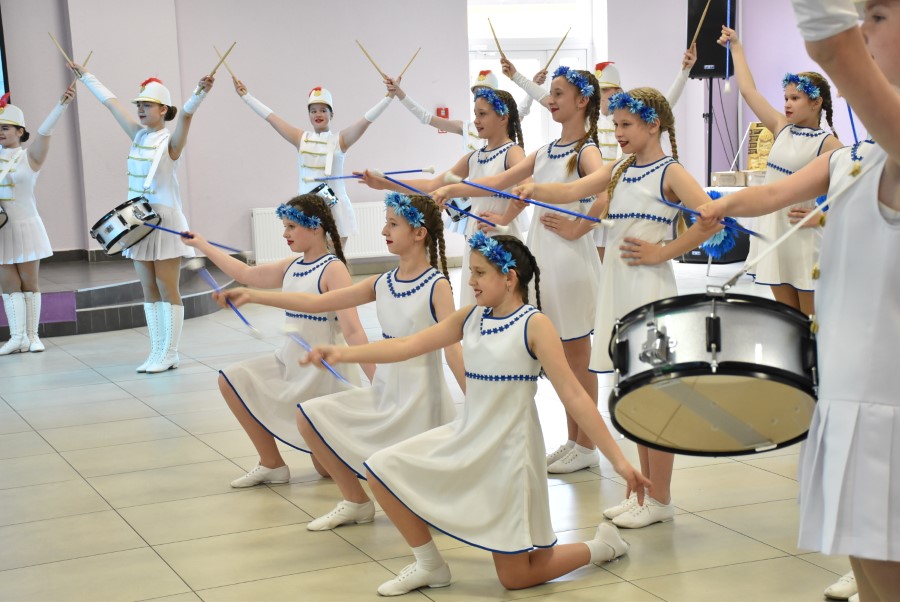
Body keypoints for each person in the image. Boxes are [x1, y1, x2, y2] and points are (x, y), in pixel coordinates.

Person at [301, 233, 649, 597]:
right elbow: (407, 345)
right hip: (466, 435)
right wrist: (343, 353)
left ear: (509, 277)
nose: (471, 281)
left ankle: (603, 546)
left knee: (516, 577)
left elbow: (575, 396)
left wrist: (620, 463)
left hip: (509, 454)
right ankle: (430, 565)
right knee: (380, 468)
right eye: (471, 272)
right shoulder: (471, 317)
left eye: (480, 273)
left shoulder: (534, 324)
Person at [695, 1, 900, 598]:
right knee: (868, 572)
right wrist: (715, 205)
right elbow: (771, 194)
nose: (862, 29)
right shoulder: (855, 156)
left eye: (878, 16)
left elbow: (833, 45)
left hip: (888, 401)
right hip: (849, 393)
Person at [514, 88, 720, 528]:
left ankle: (661, 498)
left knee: (655, 397)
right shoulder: (622, 168)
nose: (618, 132)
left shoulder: (671, 171)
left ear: (653, 125)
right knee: (634, 395)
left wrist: (664, 251)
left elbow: (711, 219)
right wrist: (533, 187)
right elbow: (573, 188)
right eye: (615, 124)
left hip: (650, 291)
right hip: (619, 288)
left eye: (626, 124)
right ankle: (645, 492)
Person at [219, 193, 464, 531]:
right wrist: (252, 294)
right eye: (386, 223)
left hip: (420, 400)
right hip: (385, 392)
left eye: (393, 224)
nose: (384, 231)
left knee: (415, 482)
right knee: (309, 415)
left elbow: (453, 348)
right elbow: (316, 302)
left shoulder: (437, 285)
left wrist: (476, 401)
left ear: (419, 233)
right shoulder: (382, 282)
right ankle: (356, 502)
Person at [433, 66, 604, 475]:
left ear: (582, 101)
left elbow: (605, 188)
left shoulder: (586, 150)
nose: (551, 99)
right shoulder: (545, 151)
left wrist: (579, 226)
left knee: (577, 355)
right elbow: (497, 182)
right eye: (551, 93)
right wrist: (452, 188)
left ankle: (588, 445)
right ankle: (574, 440)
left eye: (558, 93)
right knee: (559, 356)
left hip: (571, 260)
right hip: (544, 256)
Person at [182, 194, 372, 486]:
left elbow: (353, 330)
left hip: (322, 374)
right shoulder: (292, 265)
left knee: (326, 469)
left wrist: (377, 378)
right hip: (289, 362)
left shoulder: (333, 269)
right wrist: (203, 245)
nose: (285, 234)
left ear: (316, 227)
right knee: (232, 379)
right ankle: (271, 463)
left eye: (291, 227)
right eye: (284, 227)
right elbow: (246, 273)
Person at [73, 65, 214, 373]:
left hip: (164, 221)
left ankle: (170, 353)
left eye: (147, 105)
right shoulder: (137, 136)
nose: (140, 109)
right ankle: (156, 350)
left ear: (163, 110)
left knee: (167, 287)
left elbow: (186, 116)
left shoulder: (170, 142)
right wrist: (86, 77)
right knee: (148, 288)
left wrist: (198, 93)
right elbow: (111, 104)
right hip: (137, 220)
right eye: (139, 104)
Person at [502, 47, 698, 261]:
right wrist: (515, 76)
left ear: (618, 91)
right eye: (600, 91)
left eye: (607, 90)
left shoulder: (632, 122)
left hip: (618, 196)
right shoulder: (589, 121)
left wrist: (684, 72)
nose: (603, 96)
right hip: (595, 198)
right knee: (598, 259)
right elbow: (544, 98)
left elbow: (665, 104)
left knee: (620, 255)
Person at [359, 86, 528, 305]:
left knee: (506, 303)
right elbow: (432, 185)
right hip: (476, 237)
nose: (476, 121)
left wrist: (504, 220)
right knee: (477, 303)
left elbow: (526, 190)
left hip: (504, 239)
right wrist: (384, 182)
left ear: (503, 117)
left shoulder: (513, 152)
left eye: (482, 114)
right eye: (475, 114)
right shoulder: (473, 157)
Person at [718, 25, 843, 315]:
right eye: (785, 97)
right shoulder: (780, 127)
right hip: (774, 233)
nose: (787, 104)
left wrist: (823, 217)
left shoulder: (829, 144)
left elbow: (851, 193)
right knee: (788, 321)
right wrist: (736, 46)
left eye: (795, 98)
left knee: (812, 325)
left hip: (806, 238)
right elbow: (749, 91)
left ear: (816, 102)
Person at [232, 78, 394, 244]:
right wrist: (247, 97)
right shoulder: (301, 138)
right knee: (309, 254)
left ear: (332, 114)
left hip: (334, 209)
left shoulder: (340, 140)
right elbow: (272, 118)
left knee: (334, 255)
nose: (318, 114)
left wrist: (388, 98)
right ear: (309, 115)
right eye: (313, 111)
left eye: (323, 110)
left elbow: (366, 121)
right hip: (306, 208)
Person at [0, 87, 75, 355]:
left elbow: (45, 133)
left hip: (27, 226)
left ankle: (32, 336)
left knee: (29, 283)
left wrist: (61, 105)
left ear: (20, 131)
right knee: (8, 286)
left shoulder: (29, 157)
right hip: (1, 231)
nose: (1, 132)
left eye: (6, 127)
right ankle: (16, 337)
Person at [388, 69, 545, 153]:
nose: (480, 96)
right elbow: (426, 117)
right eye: (476, 92)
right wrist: (400, 94)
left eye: (485, 92)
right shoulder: (467, 127)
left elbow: (521, 109)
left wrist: (533, 86)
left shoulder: (505, 123)